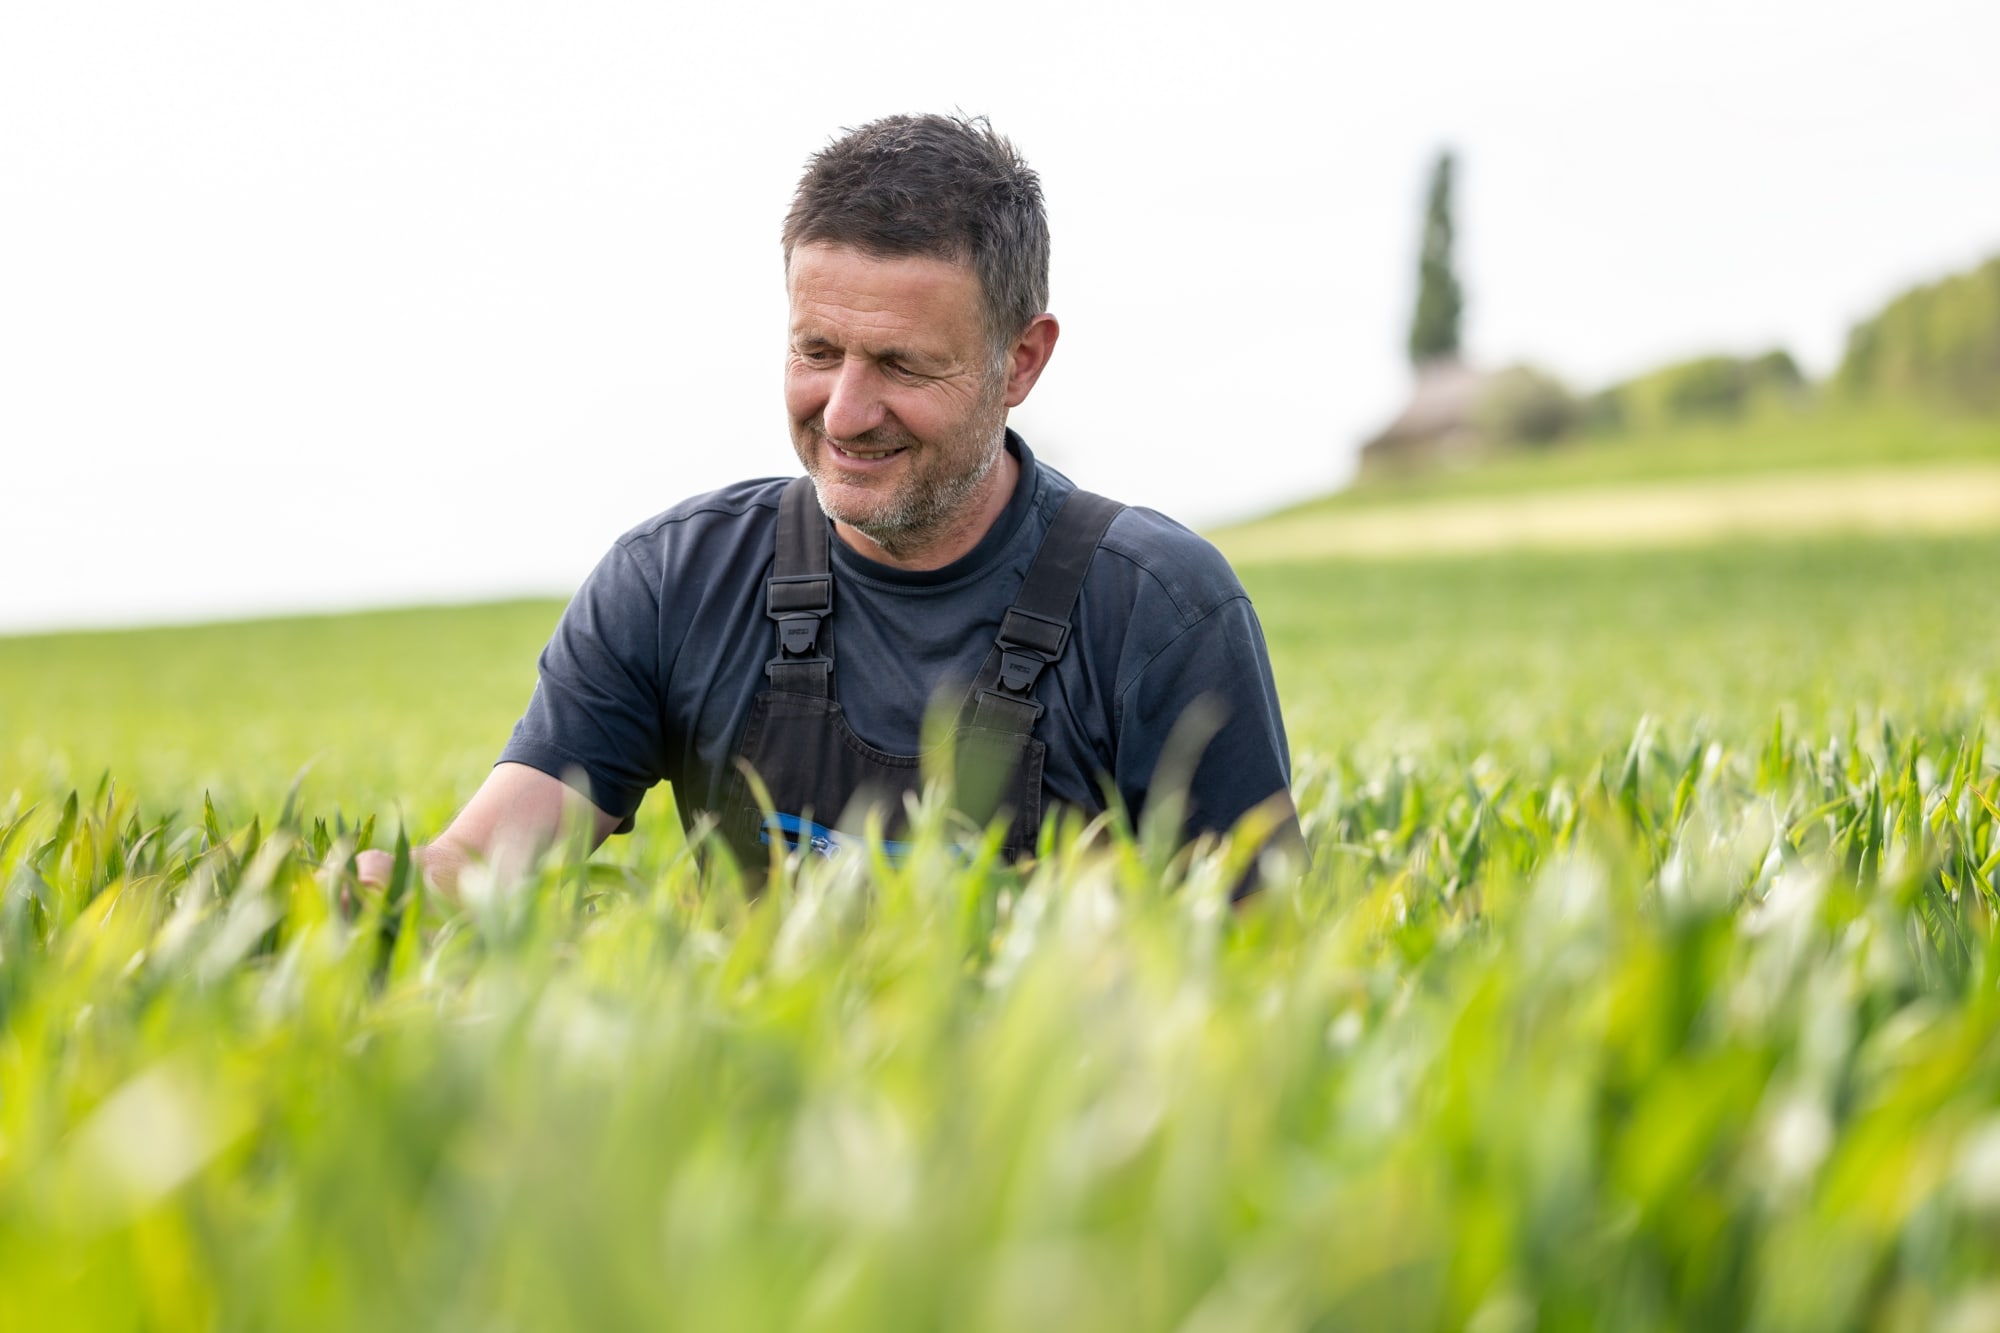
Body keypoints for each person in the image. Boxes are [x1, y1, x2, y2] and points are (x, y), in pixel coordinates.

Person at [358, 113, 1299, 895]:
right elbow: (480, 869)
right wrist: (340, 899)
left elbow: (1260, 966)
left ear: (1022, 361)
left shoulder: (1160, 610)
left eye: (901, 363)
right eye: (817, 351)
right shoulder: (675, 581)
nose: (844, 413)